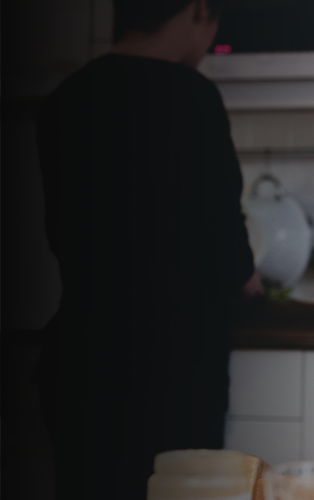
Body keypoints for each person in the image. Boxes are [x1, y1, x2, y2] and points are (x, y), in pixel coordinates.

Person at [35, 0, 257, 498]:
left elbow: (62, 232)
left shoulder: (64, 99)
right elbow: (225, 243)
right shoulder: (191, 96)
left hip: (80, 365)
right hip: (170, 373)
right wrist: (250, 279)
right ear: (200, 10)